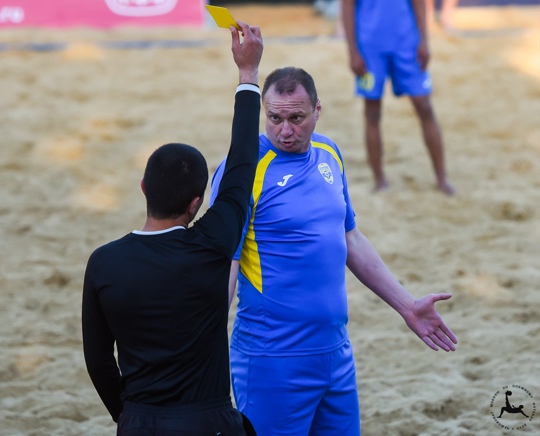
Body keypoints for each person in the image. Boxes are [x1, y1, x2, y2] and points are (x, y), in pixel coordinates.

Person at [210, 66, 458, 435]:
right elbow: (222, 266)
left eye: (296, 118)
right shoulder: (243, 171)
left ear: (317, 110)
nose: (285, 130)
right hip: (272, 360)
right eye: (275, 118)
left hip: (336, 355)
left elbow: (350, 239)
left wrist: (407, 305)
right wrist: (201, 339)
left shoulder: (328, 153)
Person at [81, 21, 263, 435]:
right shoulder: (212, 244)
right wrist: (248, 74)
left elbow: (98, 361)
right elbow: (241, 165)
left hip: (141, 420)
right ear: (196, 204)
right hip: (210, 422)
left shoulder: (104, 263)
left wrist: (130, 415)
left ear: (143, 188)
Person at [341, 0, 455, 195]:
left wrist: (424, 40)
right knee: (372, 111)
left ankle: (441, 179)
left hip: (407, 43)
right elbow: (347, 5)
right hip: (369, 48)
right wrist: (352, 51)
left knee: (424, 106)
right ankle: (379, 180)